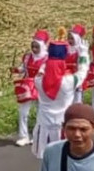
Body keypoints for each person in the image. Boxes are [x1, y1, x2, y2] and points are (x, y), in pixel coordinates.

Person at [32, 30, 89, 159]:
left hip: (43, 127)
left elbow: (42, 69)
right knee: (64, 159)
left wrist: (50, 57)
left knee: (46, 160)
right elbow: (83, 71)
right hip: (63, 127)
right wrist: (84, 53)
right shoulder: (68, 82)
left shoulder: (38, 81)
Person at [12, 31, 49, 147]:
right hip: (27, 87)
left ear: (42, 46)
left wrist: (40, 75)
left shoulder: (47, 58)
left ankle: (38, 135)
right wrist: (17, 70)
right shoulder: (28, 57)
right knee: (23, 112)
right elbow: (23, 68)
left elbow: (43, 72)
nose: (34, 48)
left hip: (41, 87)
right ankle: (24, 136)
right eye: (32, 46)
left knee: (40, 111)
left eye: (37, 46)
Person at [66, 24, 89, 104]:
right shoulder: (66, 48)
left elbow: (84, 63)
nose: (70, 40)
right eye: (69, 38)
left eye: (72, 39)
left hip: (77, 73)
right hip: (67, 74)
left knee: (78, 94)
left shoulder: (81, 49)